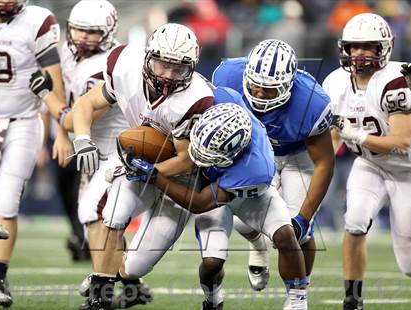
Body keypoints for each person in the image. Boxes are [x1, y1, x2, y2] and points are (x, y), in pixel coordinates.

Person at [71, 23, 214, 310]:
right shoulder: (124, 64)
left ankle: (129, 283)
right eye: (163, 64)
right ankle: (101, 293)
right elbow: (86, 103)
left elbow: (187, 158)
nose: (169, 75)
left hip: (182, 179)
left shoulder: (196, 98)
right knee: (110, 212)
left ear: (192, 67)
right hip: (142, 161)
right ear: (149, 56)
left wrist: (153, 172)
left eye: (178, 69)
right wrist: (82, 139)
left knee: (136, 266)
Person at [124, 100, 309, 310]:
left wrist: (155, 175)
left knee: (286, 235)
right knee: (212, 263)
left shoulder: (254, 170)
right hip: (213, 183)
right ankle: (213, 298)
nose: (199, 156)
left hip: (238, 192)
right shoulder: (220, 95)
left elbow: (201, 202)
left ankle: (297, 302)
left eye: (209, 155)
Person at [28, 0, 153, 307]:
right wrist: (62, 133)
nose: (82, 37)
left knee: (96, 215)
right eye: (78, 29)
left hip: (115, 149)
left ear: (108, 31)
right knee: (99, 221)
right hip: (93, 147)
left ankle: (104, 292)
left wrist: (49, 101)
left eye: (91, 32)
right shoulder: (71, 53)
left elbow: (79, 114)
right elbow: (66, 95)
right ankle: (131, 287)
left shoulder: (106, 64)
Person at [212, 39, 335, 307]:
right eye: (255, 84)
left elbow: (325, 161)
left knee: (296, 232)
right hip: (253, 152)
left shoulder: (311, 102)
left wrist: (304, 216)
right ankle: (257, 245)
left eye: (270, 90)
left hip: (296, 158)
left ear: (289, 85)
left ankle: (298, 299)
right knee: (243, 221)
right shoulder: (227, 76)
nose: (258, 93)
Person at [322, 13, 411, 310]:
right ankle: (352, 299)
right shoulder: (335, 82)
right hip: (370, 164)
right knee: (355, 220)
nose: (359, 53)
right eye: (354, 46)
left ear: (383, 47)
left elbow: (402, 141)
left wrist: (356, 135)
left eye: (368, 46)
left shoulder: (397, 81)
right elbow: (333, 141)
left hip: (408, 170)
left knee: (410, 265)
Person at [0, 0, 64, 307]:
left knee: (7, 200)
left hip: (23, 120)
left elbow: (55, 79)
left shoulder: (38, 20)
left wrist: (61, 130)